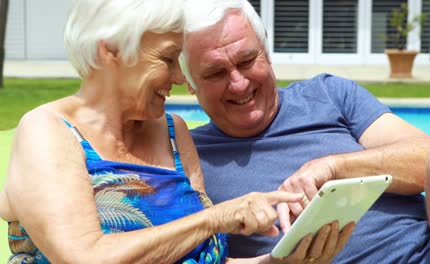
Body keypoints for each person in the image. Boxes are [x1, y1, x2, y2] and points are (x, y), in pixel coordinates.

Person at [0, 0, 341, 263]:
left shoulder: (172, 132)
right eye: (167, 59)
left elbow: (207, 257)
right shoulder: (49, 131)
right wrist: (215, 218)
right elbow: (86, 256)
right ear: (111, 50)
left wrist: (278, 260)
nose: (179, 78)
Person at [180, 0, 430, 263]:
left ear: (266, 53)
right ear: (189, 83)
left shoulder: (328, 94)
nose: (239, 84)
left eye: (246, 61)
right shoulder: (188, 158)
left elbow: (428, 159)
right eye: (216, 73)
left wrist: (333, 167)